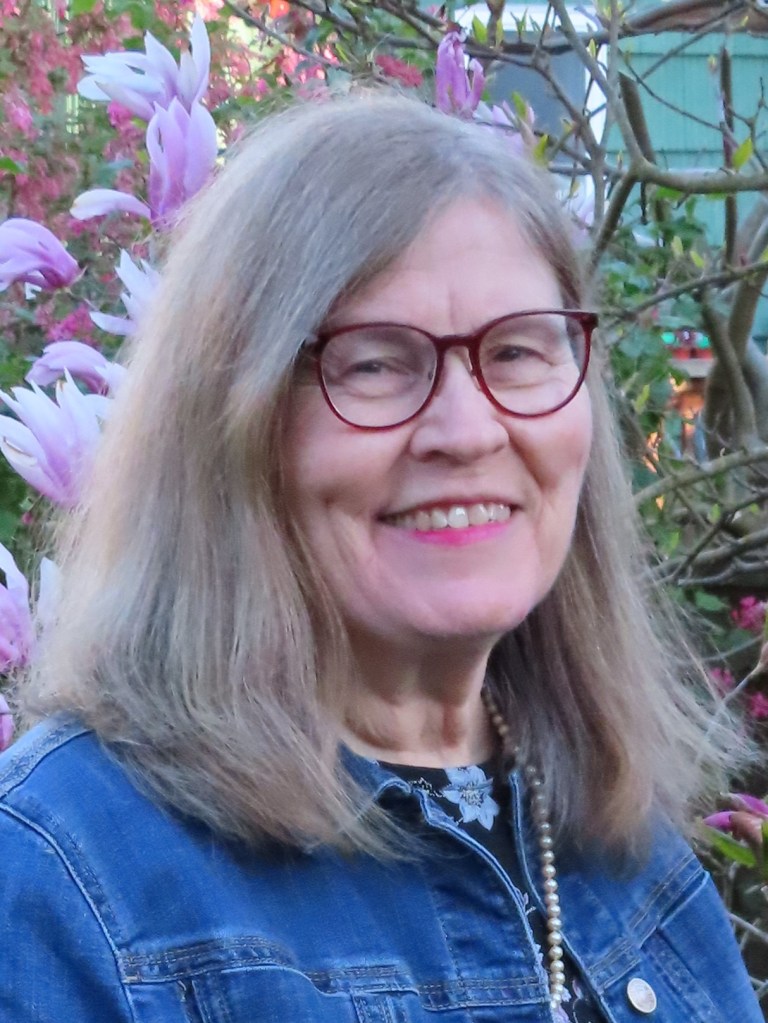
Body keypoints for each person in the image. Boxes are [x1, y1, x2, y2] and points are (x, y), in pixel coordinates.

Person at [0, 93, 760, 1023]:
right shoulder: (59, 883)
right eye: (374, 363)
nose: (468, 430)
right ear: (231, 427)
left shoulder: (618, 838)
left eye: (518, 351)